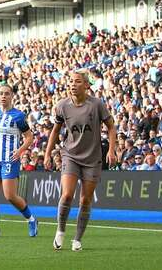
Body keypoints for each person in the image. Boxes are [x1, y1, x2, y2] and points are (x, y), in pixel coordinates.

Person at [44, 71, 117, 252]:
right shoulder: (62, 106)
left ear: (86, 85)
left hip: (93, 158)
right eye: (70, 82)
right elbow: (55, 131)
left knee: (85, 200)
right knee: (67, 195)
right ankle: (60, 230)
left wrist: (112, 150)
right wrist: (47, 154)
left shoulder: (97, 104)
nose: (73, 85)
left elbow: (111, 127)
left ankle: (77, 239)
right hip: (70, 155)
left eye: (77, 81)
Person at [0, 83, 38, 239]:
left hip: (10, 160)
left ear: (12, 96)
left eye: (7, 93)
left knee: (10, 196)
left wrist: (20, 150)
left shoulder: (18, 116)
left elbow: (29, 137)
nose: (3, 96)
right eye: (1, 93)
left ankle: (31, 219)